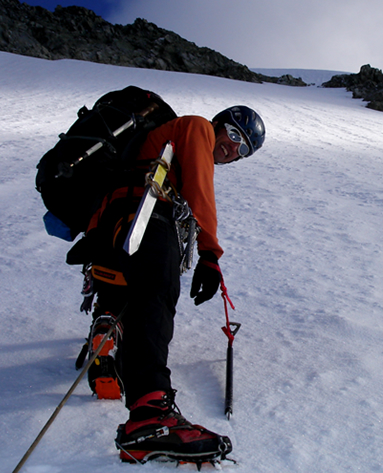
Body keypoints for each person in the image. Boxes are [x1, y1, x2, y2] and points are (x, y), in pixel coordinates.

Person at [76, 105, 265, 463]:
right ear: (220, 124)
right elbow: (199, 187)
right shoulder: (198, 128)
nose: (233, 149)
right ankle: (150, 416)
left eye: (243, 151)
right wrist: (210, 253)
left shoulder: (174, 146)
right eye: (235, 136)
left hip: (110, 224)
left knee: (135, 294)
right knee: (157, 291)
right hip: (143, 211)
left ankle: (108, 324)